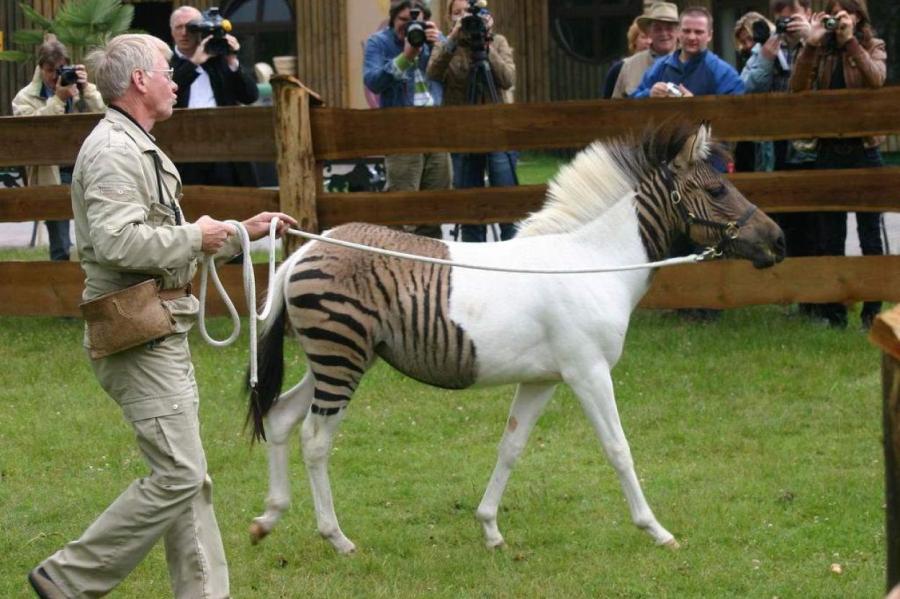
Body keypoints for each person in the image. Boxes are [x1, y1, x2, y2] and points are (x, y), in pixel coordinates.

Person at [26, 33, 295, 598]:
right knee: (178, 475)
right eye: (167, 70)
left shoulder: (135, 143)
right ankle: (67, 579)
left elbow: (160, 237)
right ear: (139, 82)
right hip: (138, 334)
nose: (176, 80)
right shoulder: (113, 152)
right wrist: (197, 234)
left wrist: (237, 234)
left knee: (187, 479)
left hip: (157, 328)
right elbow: (120, 242)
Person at [789, 0, 887, 329]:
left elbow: (876, 80)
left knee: (870, 235)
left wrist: (851, 42)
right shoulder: (821, 49)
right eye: (832, 13)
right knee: (830, 236)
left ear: (858, 17)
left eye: (844, 13)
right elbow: (797, 86)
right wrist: (811, 44)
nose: (838, 20)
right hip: (828, 148)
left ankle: (873, 310)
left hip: (864, 148)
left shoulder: (873, 46)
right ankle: (834, 313)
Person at [740, 1, 818, 317]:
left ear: (807, 11)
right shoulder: (767, 47)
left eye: (792, 17)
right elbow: (742, 90)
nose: (786, 24)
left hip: (813, 145)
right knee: (785, 226)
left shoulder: (820, 40)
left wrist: (808, 42)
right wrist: (765, 57)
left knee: (815, 227)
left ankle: (819, 299)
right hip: (777, 148)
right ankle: (794, 296)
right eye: (781, 18)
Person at [427, 0, 517, 242]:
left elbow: (507, 79)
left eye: (468, 12)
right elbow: (433, 73)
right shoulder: (446, 45)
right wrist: (454, 38)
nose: (463, 17)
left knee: (508, 204)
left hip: (497, 131)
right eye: (457, 13)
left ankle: (514, 256)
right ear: (449, 18)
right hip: (462, 134)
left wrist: (487, 46)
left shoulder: (498, 42)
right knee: (469, 209)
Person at [364, 0, 452, 239]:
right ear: (393, 19)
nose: (410, 26)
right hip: (402, 131)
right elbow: (372, 81)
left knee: (435, 204)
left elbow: (456, 75)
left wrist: (442, 47)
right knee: (401, 207)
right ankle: (396, 261)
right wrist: (405, 56)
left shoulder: (436, 40)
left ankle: (430, 264)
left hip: (436, 130)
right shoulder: (379, 43)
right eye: (404, 20)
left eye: (417, 21)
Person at [12, 37, 105, 261]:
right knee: (60, 244)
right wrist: (58, 100)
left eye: (60, 69)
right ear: (40, 68)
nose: (55, 76)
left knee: (97, 239)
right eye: (50, 70)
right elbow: (34, 132)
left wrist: (88, 89)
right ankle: (59, 291)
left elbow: (108, 113)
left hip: (88, 171)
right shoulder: (25, 97)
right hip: (52, 174)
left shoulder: (82, 90)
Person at [169, 6, 259, 187]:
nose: (185, 32)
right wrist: (194, 62)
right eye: (179, 27)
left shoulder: (218, 61)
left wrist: (233, 61)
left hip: (224, 146)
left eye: (191, 27)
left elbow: (250, 96)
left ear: (201, 29)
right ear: (171, 31)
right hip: (183, 148)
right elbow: (170, 90)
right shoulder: (166, 62)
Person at [631, 7, 745, 99]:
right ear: (678, 32)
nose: (691, 37)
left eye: (698, 32)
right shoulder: (659, 67)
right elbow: (630, 105)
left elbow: (736, 114)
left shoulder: (723, 73)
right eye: (686, 31)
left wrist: (694, 106)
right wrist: (649, 94)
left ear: (709, 35)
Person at [610, 2, 680, 99]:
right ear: (648, 33)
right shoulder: (629, 66)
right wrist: (647, 95)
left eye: (669, 28)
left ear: (679, 32)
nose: (664, 33)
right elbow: (614, 108)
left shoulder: (692, 63)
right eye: (658, 29)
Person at [602, 18, 651, 99]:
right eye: (644, 37)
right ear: (634, 40)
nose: (649, 41)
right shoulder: (619, 68)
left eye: (651, 37)